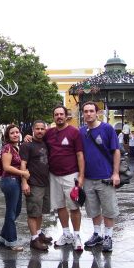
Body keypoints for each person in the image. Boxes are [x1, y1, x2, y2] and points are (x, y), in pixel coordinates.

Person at [80, 101, 120, 252]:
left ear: (97, 113)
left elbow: (116, 151)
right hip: (89, 178)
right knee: (93, 209)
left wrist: (115, 173)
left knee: (109, 209)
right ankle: (97, 234)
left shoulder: (107, 128)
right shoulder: (81, 131)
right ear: (83, 114)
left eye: (91, 111)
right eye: (86, 111)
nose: (89, 113)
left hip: (105, 177)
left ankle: (108, 237)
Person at [43, 106, 85, 251]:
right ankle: (66, 234)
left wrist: (81, 175)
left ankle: (77, 236)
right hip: (54, 175)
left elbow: (80, 155)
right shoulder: (49, 133)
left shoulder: (74, 132)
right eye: (56, 114)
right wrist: (29, 137)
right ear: (53, 117)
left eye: (61, 114)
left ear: (66, 116)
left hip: (70, 174)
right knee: (59, 206)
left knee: (74, 207)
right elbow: (37, 138)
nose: (59, 116)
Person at [0, 124, 30, 251]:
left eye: (17, 132)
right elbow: (6, 167)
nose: (15, 134)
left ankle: (2, 238)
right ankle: (11, 242)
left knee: (15, 211)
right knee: (11, 212)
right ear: (7, 135)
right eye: (12, 133)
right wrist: (23, 173)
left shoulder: (17, 147)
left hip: (15, 181)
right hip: (9, 181)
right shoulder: (7, 148)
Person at [20, 120, 52, 251]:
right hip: (34, 184)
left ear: (45, 130)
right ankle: (34, 240)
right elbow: (23, 164)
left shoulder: (45, 143)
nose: (39, 131)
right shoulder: (27, 145)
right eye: (37, 129)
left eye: (42, 129)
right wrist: (24, 183)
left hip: (45, 183)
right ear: (33, 129)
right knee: (33, 213)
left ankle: (39, 234)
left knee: (40, 212)